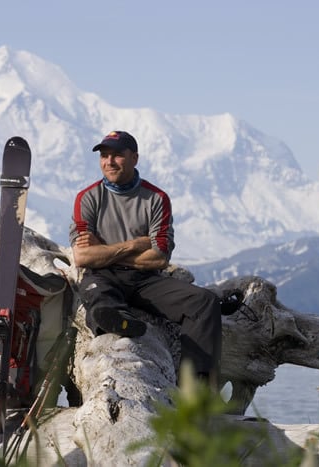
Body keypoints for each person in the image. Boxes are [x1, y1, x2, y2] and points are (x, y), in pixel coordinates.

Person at [69, 130, 222, 385]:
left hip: (146, 280)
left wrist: (105, 250)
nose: (109, 161)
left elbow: (159, 259)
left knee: (204, 302)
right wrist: (134, 244)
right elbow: (83, 256)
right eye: (104, 156)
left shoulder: (156, 199)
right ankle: (119, 322)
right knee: (101, 298)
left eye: (117, 155)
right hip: (102, 277)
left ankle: (197, 387)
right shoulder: (88, 198)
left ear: (134, 158)